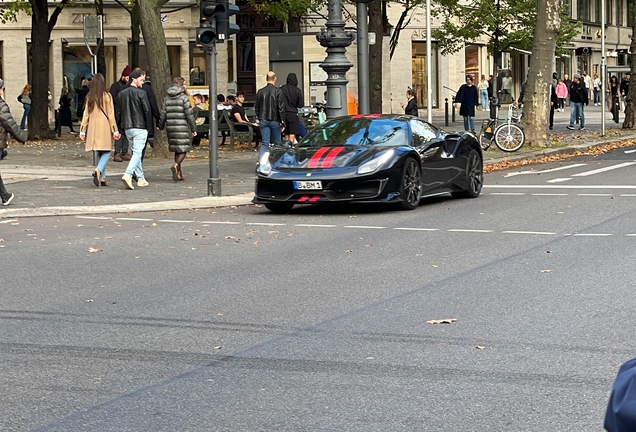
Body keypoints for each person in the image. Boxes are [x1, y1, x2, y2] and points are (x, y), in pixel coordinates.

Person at [79, 73, 121, 187]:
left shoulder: (89, 96)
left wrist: (83, 130)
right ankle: (98, 170)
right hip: (104, 126)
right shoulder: (107, 96)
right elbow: (111, 114)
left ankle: (102, 177)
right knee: (107, 151)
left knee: (98, 150)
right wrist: (115, 130)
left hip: (93, 127)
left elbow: (86, 114)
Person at [116, 68, 151, 190]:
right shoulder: (142, 93)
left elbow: (118, 113)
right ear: (134, 79)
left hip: (127, 127)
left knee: (136, 151)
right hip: (139, 126)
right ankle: (128, 174)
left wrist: (120, 128)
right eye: (141, 80)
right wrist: (148, 127)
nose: (143, 83)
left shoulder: (121, 94)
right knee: (137, 153)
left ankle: (141, 178)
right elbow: (147, 110)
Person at [158, 77, 197, 182]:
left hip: (170, 126)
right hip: (182, 126)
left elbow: (163, 113)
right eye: (184, 83)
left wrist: (160, 125)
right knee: (184, 149)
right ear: (181, 84)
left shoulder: (167, 98)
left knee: (177, 149)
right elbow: (189, 114)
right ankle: (176, 165)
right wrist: (193, 128)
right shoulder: (184, 97)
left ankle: (179, 173)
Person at [0, 78, 27, 206]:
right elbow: (10, 124)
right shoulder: (1, 105)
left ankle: (5, 196)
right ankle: (5, 196)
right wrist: (21, 138)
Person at [255, 71, 285, 149]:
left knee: (265, 143)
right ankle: (276, 160)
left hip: (263, 119)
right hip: (275, 119)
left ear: (266, 79)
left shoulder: (260, 92)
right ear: (275, 79)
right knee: (277, 143)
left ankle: (261, 159)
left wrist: (259, 118)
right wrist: (283, 122)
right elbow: (280, 108)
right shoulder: (278, 91)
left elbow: (257, 107)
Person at [110, 65, 132, 162]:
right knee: (118, 133)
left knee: (126, 133)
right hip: (118, 112)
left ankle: (124, 152)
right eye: (127, 77)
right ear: (123, 76)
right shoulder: (115, 86)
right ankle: (117, 152)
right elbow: (113, 99)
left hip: (126, 112)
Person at [280, 72, 304, 142]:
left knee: (286, 133)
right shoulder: (297, 90)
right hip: (293, 114)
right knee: (292, 133)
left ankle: (286, 147)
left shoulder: (281, 89)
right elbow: (300, 105)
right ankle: (290, 147)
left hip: (283, 114)